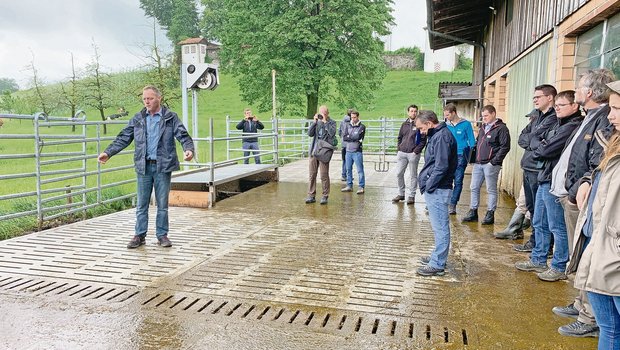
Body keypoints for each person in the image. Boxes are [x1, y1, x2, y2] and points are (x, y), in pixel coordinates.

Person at [552, 69, 615, 338]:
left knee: (590, 255)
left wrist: (582, 183)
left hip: (585, 199)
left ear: (589, 92)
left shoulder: (602, 120)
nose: (575, 91)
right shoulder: (590, 117)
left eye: (578, 88)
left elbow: (597, 162)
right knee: (581, 252)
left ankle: (589, 316)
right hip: (576, 194)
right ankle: (581, 304)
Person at [97, 85, 194, 249]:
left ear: (159, 99)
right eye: (144, 99)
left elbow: (183, 135)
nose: (147, 102)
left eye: (150, 98)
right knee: (142, 204)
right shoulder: (138, 118)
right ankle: (139, 235)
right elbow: (123, 138)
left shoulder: (170, 117)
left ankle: (162, 235)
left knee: (162, 204)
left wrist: (188, 149)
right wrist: (108, 152)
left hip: (163, 166)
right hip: (144, 167)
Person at [571, 80, 620, 350]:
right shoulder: (613, 144)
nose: (610, 115)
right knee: (610, 328)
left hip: (613, 256)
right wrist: (589, 178)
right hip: (601, 250)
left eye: (616, 109)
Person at [514, 90, 583, 281]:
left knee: (556, 226)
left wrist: (540, 144)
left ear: (574, 106)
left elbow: (545, 149)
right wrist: (540, 143)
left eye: (562, 105)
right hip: (545, 177)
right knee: (539, 221)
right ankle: (538, 258)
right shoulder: (555, 122)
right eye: (557, 106)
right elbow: (530, 138)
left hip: (555, 180)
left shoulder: (571, 125)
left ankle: (559, 266)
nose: (557, 109)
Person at [513, 84, 558, 252]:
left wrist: (533, 140)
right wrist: (533, 140)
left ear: (549, 98)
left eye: (538, 97)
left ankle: (543, 245)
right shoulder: (536, 116)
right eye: (534, 97)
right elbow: (523, 138)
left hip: (539, 169)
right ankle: (534, 241)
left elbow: (536, 140)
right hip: (528, 166)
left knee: (541, 211)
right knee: (531, 209)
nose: (534, 100)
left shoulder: (554, 118)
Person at [415, 110, 457, 276]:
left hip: (439, 188)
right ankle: (437, 257)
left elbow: (441, 166)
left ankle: (438, 263)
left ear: (429, 123)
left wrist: (429, 185)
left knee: (440, 227)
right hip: (437, 187)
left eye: (421, 128)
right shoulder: (438, 135)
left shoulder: (441, 137)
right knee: (438, 226)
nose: (421, 132)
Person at [462, 105, 510, 224]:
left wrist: (494, 162)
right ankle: (473, 211)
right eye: (483, 116)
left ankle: (490, 213)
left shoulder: (501, 128)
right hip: (478, 163)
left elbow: (505, 147)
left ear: (493, 114)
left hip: (491, 164)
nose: (484, 118)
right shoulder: (483, 127)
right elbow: (479, 142)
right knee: (473, 187)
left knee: (491, 189)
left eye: (486, 116)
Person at [444, 103, 476, 215]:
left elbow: (472, 141)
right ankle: (444, 202)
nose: (446, 117)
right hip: (448, 156)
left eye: (448, 115)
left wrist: (471, 157)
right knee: (446, 180)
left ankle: (452, 204)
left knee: (458, 181)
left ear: (453, 113)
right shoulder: (446, 125)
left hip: (461, 156)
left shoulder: (466, 124)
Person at [393, 104, 427, 205]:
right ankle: (401, 193)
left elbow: (423, 140)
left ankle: (412, 195)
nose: (413, 113)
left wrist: (416, 151)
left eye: (415, 111)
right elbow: (399, 137)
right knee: (399, 173)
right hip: (402, 153)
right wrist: (399, 148)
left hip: (413, 154)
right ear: (408, 112)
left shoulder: (420, 124)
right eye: (411, 111)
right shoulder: (404, 124)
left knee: (413, 175)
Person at [305, 105, 337, 205]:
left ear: (327, 113)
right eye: (320, 113)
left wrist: (325, 122)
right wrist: (314, 122)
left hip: (324, 152)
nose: (322, 115)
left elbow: (332, 133)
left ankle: (325, 196)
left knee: (324, 175)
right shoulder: (317, 121)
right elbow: (309, 133)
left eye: (324, 113)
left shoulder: (332, 122)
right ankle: (311, 195)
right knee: (312, 174)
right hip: (314, 151)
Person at [341, 110, 366, 194]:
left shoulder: (362, 126)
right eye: (351, 117)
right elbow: (344, 137)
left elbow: (358, 137)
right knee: (348, 169)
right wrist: (352, 137)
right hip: (348, 151)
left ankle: (361, 186)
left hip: (357, 151)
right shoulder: (348, 125)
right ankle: (349, 185)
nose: (353, 119)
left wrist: (350, 136)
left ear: (358, 117)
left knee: (360, 170)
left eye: (354, 117)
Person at [339, 109, 353, 181]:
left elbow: (339, 131)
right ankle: (349, 175)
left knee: (344, 160)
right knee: (350, 160)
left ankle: (343, 175)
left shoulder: (342, 121)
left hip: (343, 144)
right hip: (350, 144)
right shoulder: (351, 122)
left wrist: (342, 138)